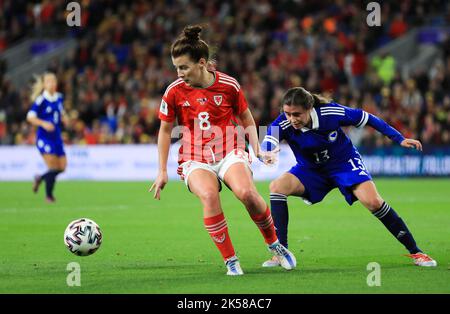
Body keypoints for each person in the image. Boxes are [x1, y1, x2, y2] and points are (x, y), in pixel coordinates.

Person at [149, 25, 296, 275]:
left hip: (229, 148)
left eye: (184, 67)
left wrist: (257, 149)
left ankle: (275, 245)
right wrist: (161, 171)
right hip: (194, 156)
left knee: (246, 192)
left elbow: (247, 119)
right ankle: (231, 260)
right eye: (176, 67)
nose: (179, 73)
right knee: (208, 195)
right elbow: (165, 131)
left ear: (202, 63)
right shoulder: (173, 91)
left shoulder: (228, 85)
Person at [260, 87, 437, 268]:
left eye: (296, 114)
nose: (291, 119)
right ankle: (280, 252)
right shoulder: (284, 122)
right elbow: (268, 136)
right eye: (288, 114)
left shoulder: (330, 112)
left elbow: (368, 118)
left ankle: (416, 251)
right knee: (277, 187)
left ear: (310, 107)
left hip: (343, 163)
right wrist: (267, 151)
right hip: (311, 170)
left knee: (374, 202)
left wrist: (399, 138)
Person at [26, 72, 67, 203]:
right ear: (44, 84)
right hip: (44, 138)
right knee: (53, 167)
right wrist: (43, 123)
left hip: (57, 137)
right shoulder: (41, 100)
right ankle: (49, 196)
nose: (52, 83)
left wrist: (65, 118)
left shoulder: (59, 97)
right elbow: (30, 117)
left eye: (54, 81)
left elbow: (60, 112)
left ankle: (40, 178)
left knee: (62, 167)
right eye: (49, 81)